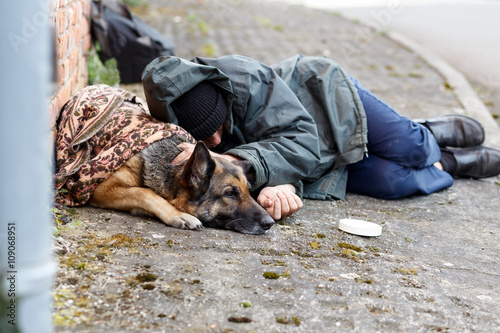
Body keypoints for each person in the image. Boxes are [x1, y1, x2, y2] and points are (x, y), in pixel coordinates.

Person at [141, 54, 500, 220]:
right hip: (307, 161)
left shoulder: (245, 77)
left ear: (221, 97)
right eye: (206, 136)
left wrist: (241, 162)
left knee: (412, 148)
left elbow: (300, 138)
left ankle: (426, 133)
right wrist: (275, 187)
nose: (216, 142)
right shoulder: (180, 129)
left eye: (219, 126)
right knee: (395, 181)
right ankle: (450, 162)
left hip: (326, 105)